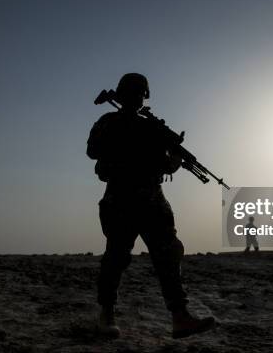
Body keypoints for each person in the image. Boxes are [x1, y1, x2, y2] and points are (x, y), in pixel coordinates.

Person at [87, 73, 215, 339]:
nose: (136, 98)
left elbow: (94, 152)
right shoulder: (115, 124)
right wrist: (174, 159)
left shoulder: (140, 126)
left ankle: (177, 317)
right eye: (135, 93)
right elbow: (97, 152)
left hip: (142, 201)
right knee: (123, 257)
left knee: (155, 255)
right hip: (132, 199)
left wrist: (169, 154)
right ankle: (111, 316)